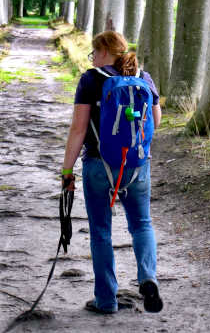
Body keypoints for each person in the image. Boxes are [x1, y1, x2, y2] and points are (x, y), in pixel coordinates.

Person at [61, 30, 164, 314]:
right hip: (136, 165)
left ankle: (106, 299)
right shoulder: (144, 78)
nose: (92, 57)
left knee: (101, 232)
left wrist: (67, 170)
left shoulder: (91, 80)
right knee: (142, 224)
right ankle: (148, 277)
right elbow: (155, 121)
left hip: (97, 165)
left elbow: (78, 129)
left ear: (105, 51)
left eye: (94, 52)